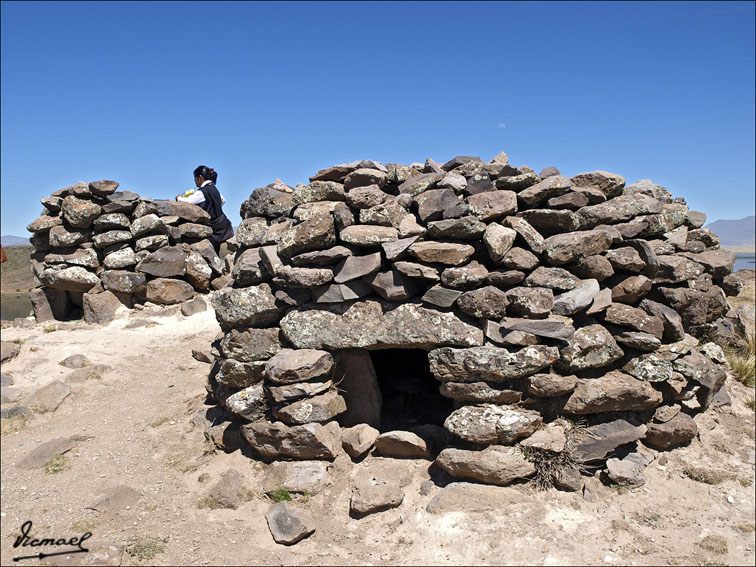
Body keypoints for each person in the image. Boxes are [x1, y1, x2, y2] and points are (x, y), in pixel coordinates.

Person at [176, 165, 234, 253]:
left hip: (214, 231)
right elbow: (223, 200)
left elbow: (188, 201)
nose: (195, 182)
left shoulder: (202, 192)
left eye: (195, 179)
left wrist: (178, 198)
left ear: (200, 177)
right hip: (223, 227)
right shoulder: (214, 189)